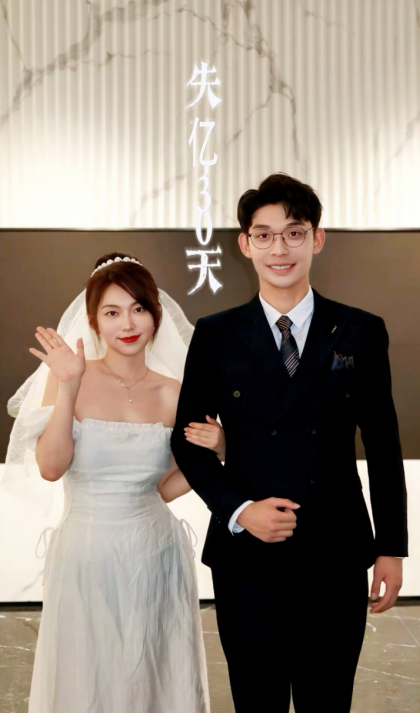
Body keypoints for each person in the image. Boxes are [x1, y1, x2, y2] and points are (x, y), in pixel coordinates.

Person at [171, 173, 408, 713]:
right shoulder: (217, 334)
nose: (279, 249)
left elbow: (383, 446)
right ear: (245, 244)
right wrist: (240, 510)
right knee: (258, 701)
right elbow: (187, 443)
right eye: (264, 235)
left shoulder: (360, 331)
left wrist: (390, 547)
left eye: (294, 233)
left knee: (329, 701)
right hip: (247, 558)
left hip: (335, 551)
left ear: (316, 239)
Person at [6, 252, 225, 714]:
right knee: (89, 676)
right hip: (86, 553)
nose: (127, 323)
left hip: (157, 552)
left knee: (154, 674)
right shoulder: (69, 379)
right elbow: (51, 467)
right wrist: (68, 386)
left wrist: (218, 451)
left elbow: (165, 487)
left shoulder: (173, 392)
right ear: (94, 322)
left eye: (138, 309)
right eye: (112, 312)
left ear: (156, 315)